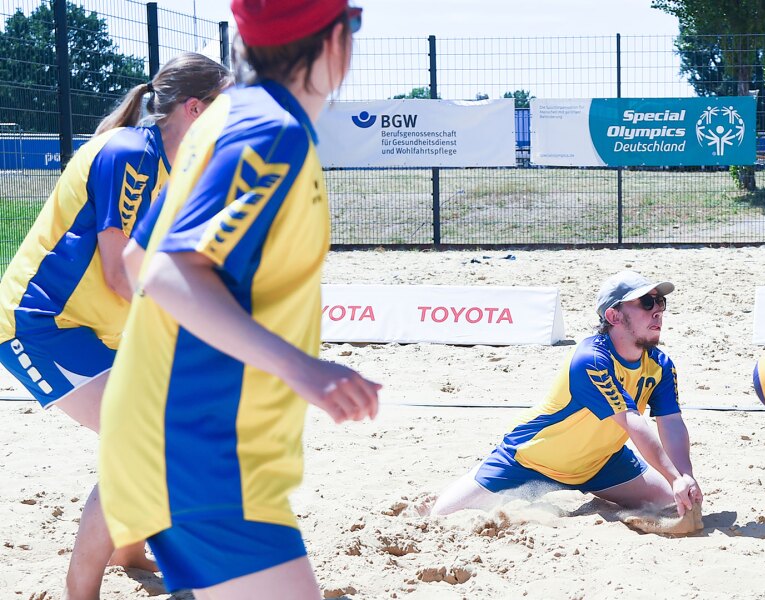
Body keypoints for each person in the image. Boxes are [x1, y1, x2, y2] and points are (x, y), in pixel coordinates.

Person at [97, 2, 377, 598]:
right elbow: (168, 271)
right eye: (353, 25)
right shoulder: (270, 131)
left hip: (185, 438)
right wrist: (303, 369)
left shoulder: (227, 118)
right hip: (200, 449)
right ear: (333, 42)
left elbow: (136, 259)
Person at [0, 52, 231, 600]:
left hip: (100, 328)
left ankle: (129, 550)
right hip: (40, 324)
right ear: (196, 109)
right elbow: (117, 273)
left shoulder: (184, 168)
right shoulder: (130, 153)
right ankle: (81, 594)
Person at [430, 270, 704, 520]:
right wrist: (672, 476)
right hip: (531, 461)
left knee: (675, 505)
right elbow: (632, 421)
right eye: (646, 303)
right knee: (443, 515)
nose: (657, 310)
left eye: (660, 303)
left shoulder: (661, 365)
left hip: (602, 463)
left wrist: (684, 476)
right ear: (613, 316)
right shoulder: (591, 359)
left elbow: (671, 422)